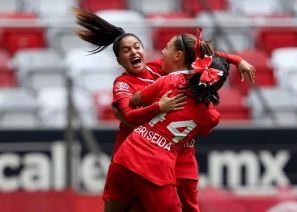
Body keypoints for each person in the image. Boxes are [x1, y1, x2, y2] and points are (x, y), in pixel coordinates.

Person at [72, 8, 256, 212]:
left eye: (137, 47)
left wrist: (236, 59)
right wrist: (158, 107)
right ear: (119, 60)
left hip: (167, 158)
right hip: (135, 154)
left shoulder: (159, 69)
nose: (134, 52)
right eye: (126, 50)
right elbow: (129, 116)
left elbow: (198, 56)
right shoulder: (123, 84)